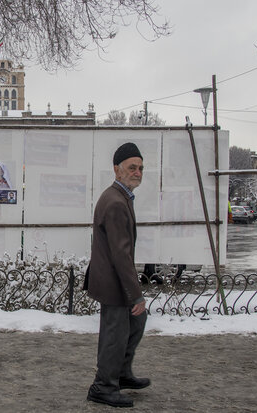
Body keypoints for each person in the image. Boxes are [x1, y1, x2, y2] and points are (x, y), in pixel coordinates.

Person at [83, 142, 149, 408]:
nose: (138, 172)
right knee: (115, 334)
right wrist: (135, 295)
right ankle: (102, 386)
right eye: (132, 167)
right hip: (113, 281)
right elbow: (121, 254)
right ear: (117, 170)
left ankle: (121, 374)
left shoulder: (119, 197)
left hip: (112, 278)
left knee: (135, 324)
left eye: (141, 168)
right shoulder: (115, 202)